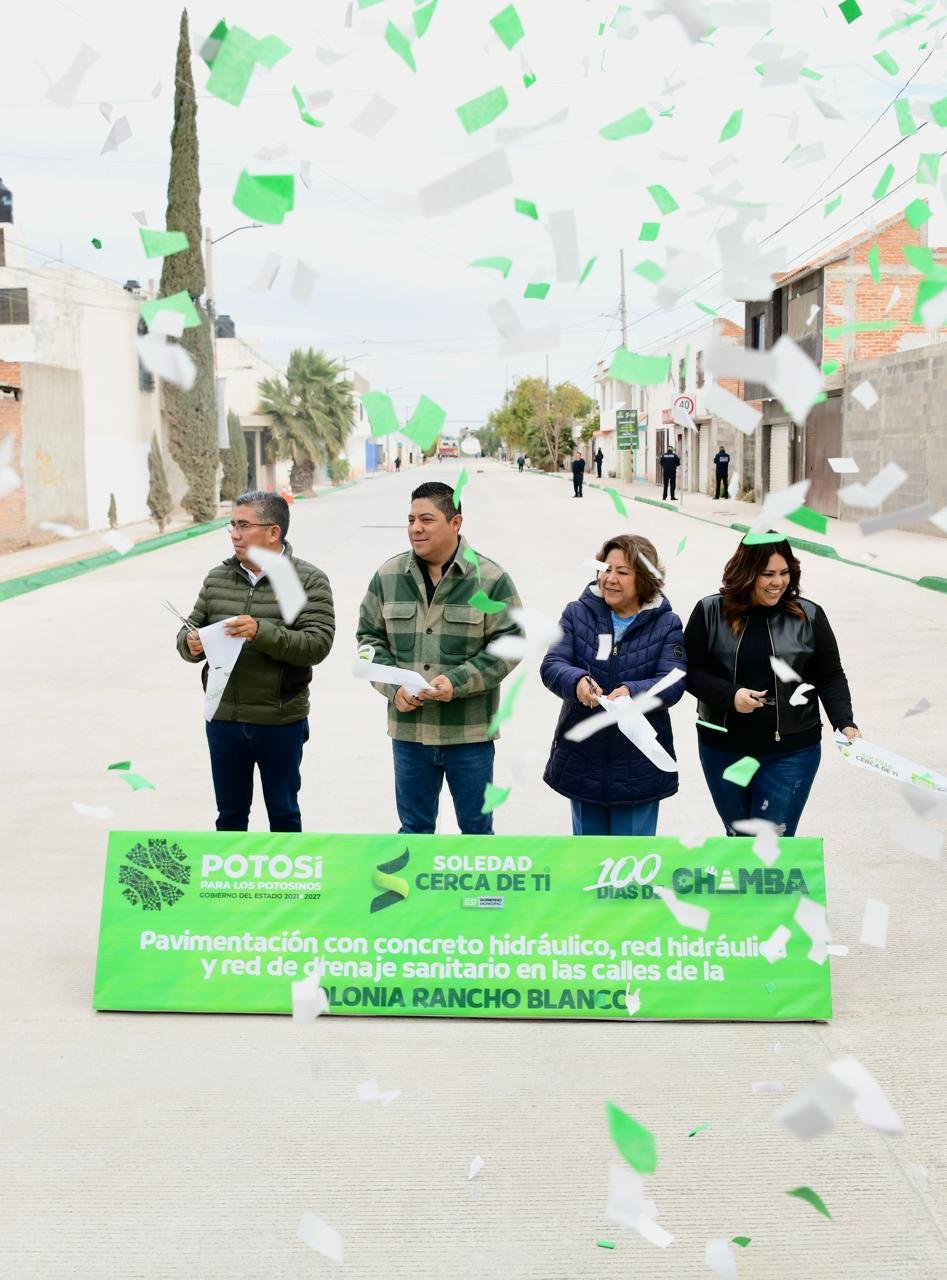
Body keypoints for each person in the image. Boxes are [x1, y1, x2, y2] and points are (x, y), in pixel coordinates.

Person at [356, 481, 523, 835]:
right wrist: (392, 686)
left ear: (456, 523)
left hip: (469, 736)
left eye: (427, 519)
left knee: (477, 833)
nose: (415, 528)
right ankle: (416, 893)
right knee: (414, 830)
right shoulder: (388, 577)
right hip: (409, 735)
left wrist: (458, 682)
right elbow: (368, 640)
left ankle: (476, 894)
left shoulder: (489, 580)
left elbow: (511, 643)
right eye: (411, 519)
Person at [176, 490, 335, 832]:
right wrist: (190, 644)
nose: (235, 533)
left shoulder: (307, 580)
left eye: (244, 525)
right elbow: (192, 626)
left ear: (273, 532)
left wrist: (259, 632)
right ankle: (229, 885)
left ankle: (288, 884)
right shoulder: (218, 578)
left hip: (279, 721)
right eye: (232, 525)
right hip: (223, 720)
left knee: (284, 813)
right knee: (230, 816)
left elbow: (317, 645)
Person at [683, 536, 860, 838]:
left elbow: (829, 675)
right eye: (767, 574)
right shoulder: (709, 611)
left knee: (770, 849)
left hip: (791, 753)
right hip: (723, 750)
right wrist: (731, 696)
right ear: (746, 572)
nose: (777, 582)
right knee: (739, 842)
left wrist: (845, 722)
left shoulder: (809, 615)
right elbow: (689, 671)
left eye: (784, 572)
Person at [540, 534, 686, 836]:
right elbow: (553, 664)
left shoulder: (666, 623)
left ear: (645, 578)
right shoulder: (576, 613)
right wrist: (577, 681)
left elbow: (673, 681)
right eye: (606, 569)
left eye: (622, 572)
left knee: (632, 867)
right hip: (583, 758)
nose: (610, 579)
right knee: (589, 864)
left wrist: (633, 691)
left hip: (638, 763)